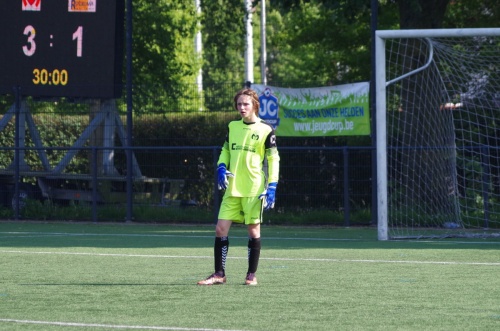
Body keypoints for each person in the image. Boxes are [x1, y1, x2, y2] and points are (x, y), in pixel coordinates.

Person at [197, 88, 280, 286]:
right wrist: (221, 166)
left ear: (255, 106)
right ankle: (219, 274)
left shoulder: (266, 129)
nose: (241, 108)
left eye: (246, 104)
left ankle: (251, 274)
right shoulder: (232, 126)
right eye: (239, 104)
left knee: (253, 231)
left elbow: (273, 158)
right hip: (232, 187)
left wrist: (272, 185)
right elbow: (226, 149)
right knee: (220, 229)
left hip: (253, 188)